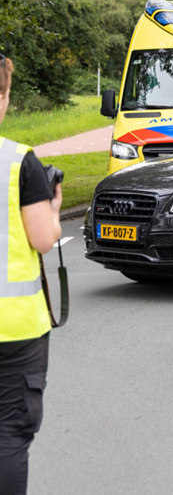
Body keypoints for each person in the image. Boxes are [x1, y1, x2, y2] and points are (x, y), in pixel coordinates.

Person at [0, 57, 64, 494]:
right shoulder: (18, 162)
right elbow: (43, 240)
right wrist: (55, 209)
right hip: (14, 329)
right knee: (8, 436)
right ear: (2, 97)